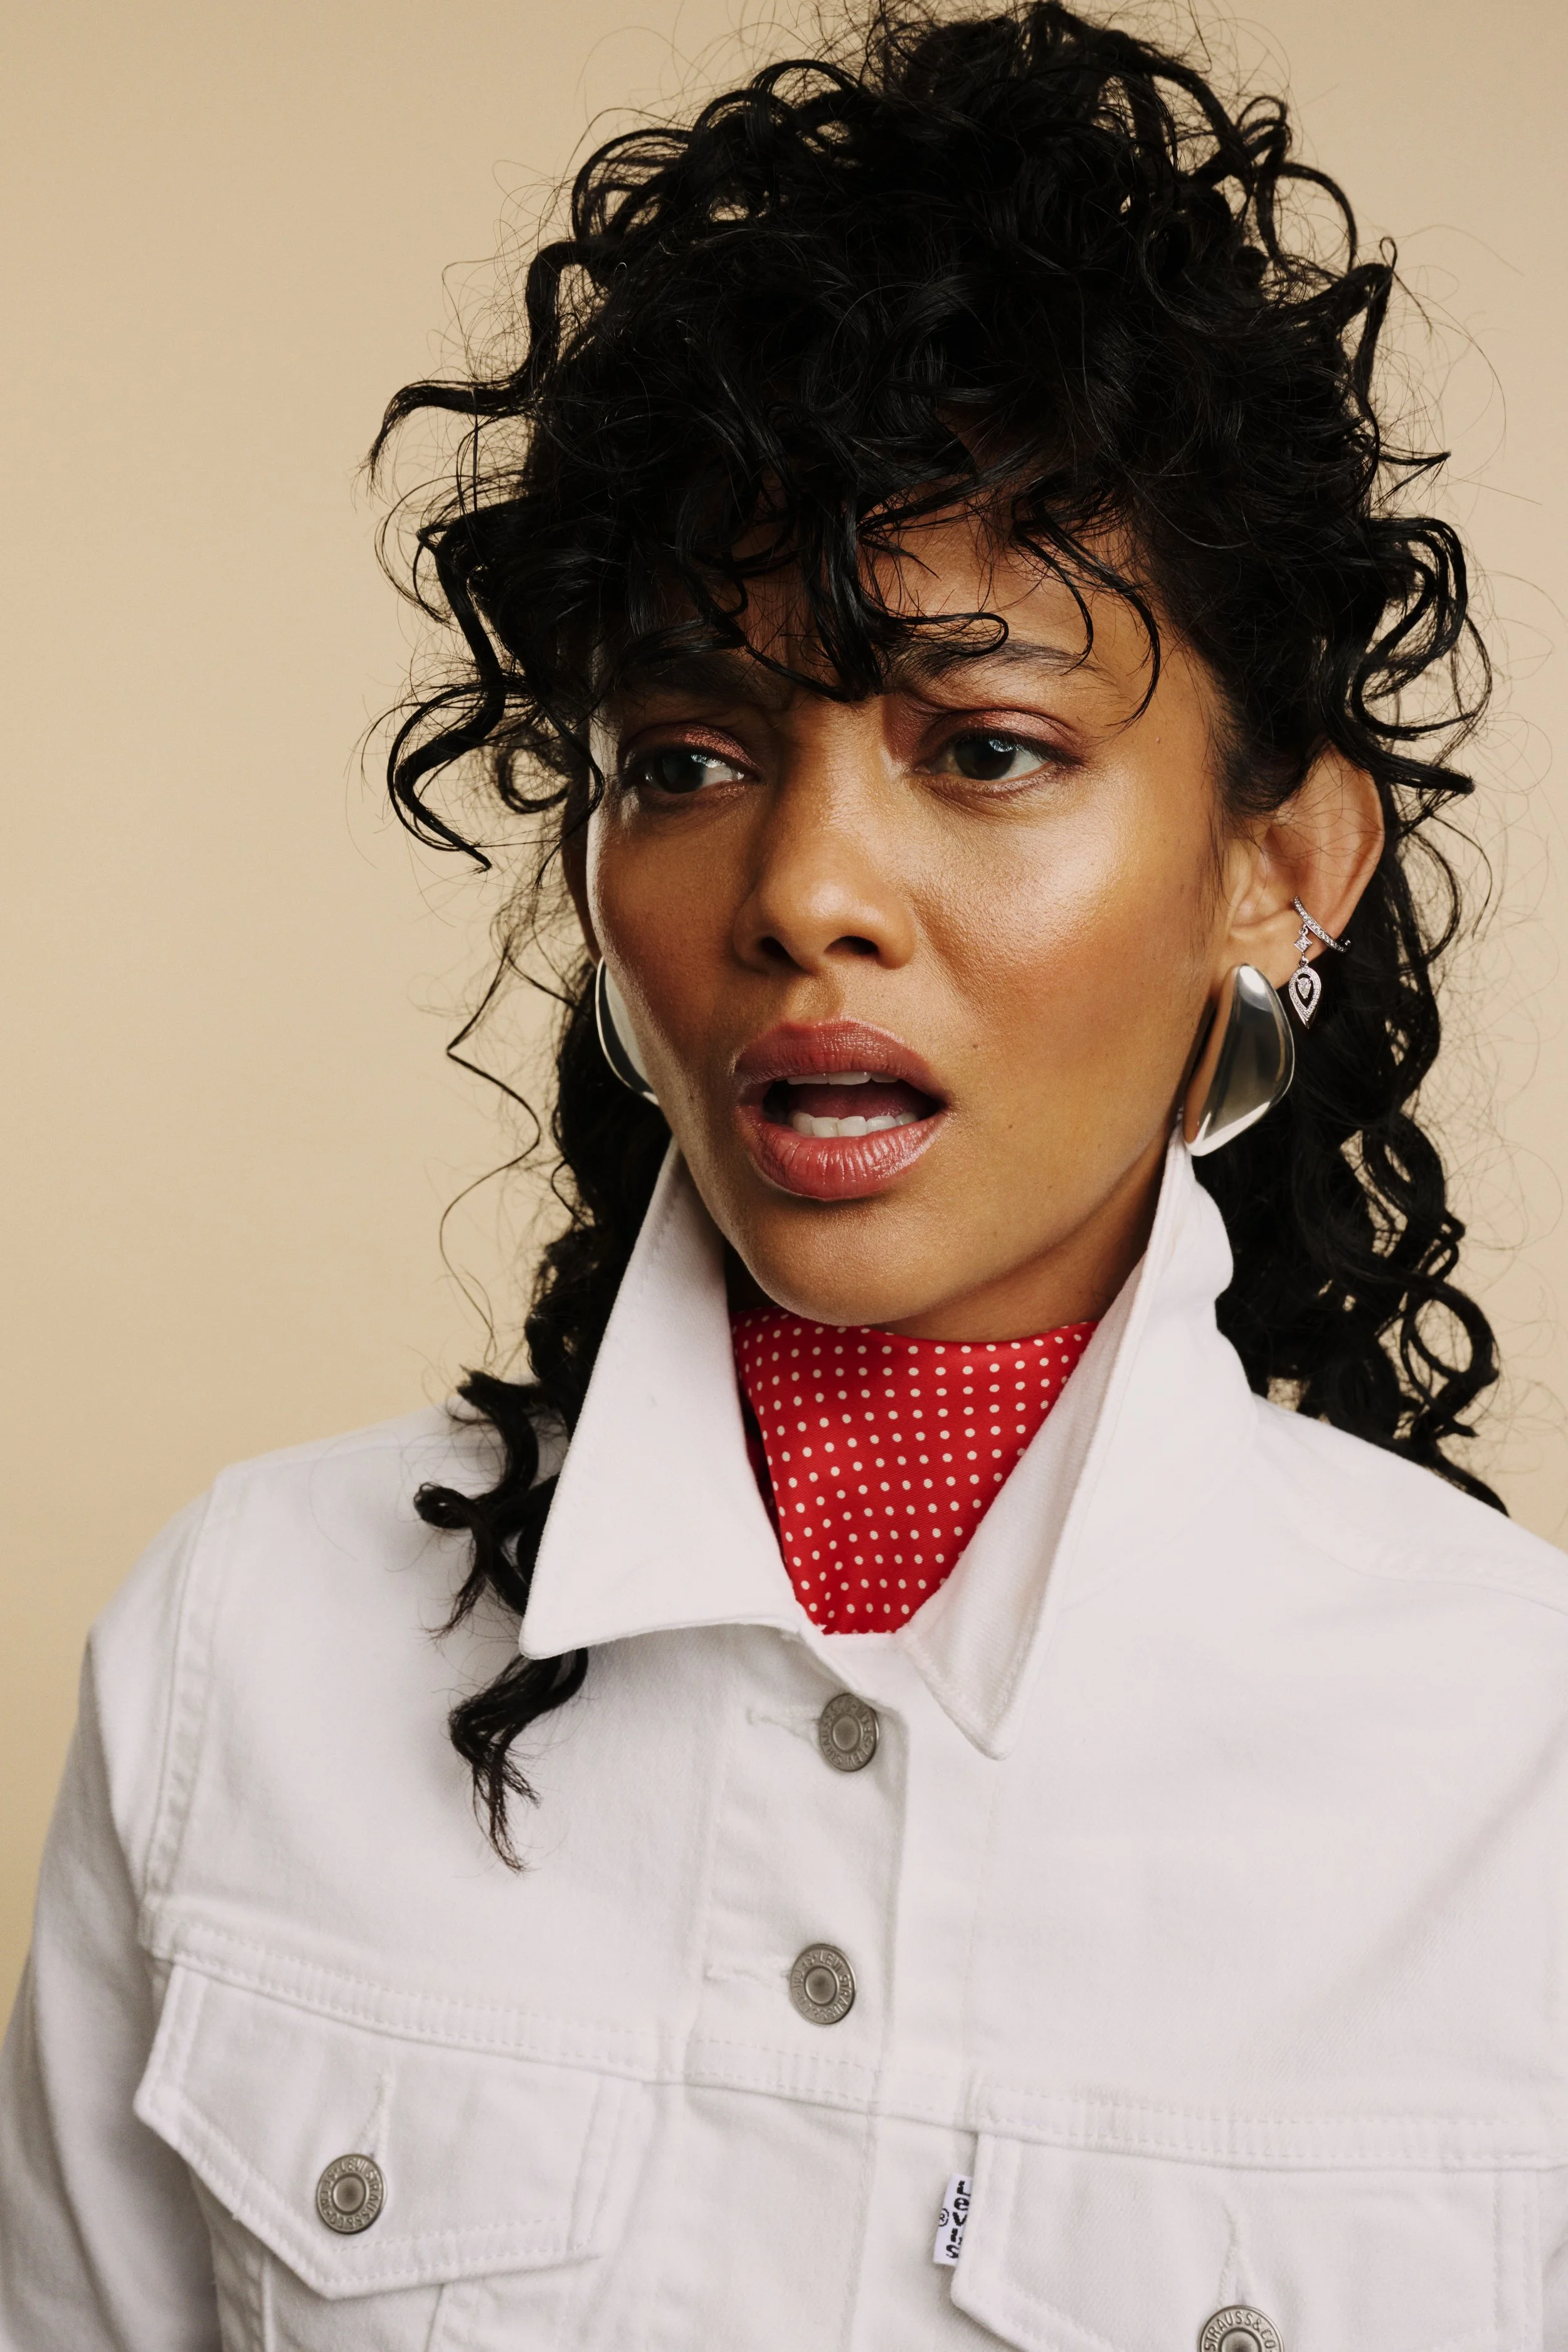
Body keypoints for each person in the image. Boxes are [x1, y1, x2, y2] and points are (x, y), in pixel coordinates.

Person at [3, 4, 1564, 2345]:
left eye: (988, 746)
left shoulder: (1520, 1777)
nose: (805, 887)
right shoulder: (252, 1647)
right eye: (691, 753)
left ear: (1280, 864)